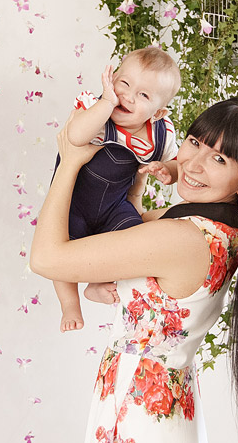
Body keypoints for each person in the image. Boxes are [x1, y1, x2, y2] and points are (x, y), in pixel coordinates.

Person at [31, 97, 238, 443]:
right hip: (158, 407)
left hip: (138, 417)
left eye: (219, 159)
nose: (193, 164)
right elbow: (126, 237)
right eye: (194, 143)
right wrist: (136, 187)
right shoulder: (221, 230)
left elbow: (45, 258)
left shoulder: (184, 238)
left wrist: (68, 164)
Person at [52, 47, 181, 333]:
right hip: (73, 202)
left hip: (114, 206)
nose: (128, 96)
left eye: (143, 95)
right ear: (111, 80)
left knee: (134, 237)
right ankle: (70, 303)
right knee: (59, 245)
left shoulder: (160, 133)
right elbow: (75, 137)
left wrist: (166, 171)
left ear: (158, 112)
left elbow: (175, 163)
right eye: (124, 83)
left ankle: (98, 283)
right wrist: (106, 103)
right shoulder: (95, 110)